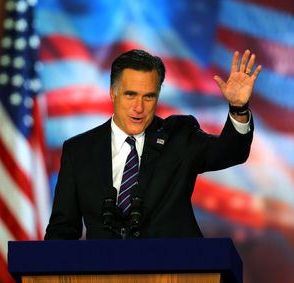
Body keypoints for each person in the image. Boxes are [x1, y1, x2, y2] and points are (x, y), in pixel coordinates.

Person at [44, 49, 262, 241]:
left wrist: (238, 108)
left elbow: (231, 151)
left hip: (177, 279)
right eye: (131, 95)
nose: (139, 107)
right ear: (113, 92)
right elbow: (61, 231)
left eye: (149, 97)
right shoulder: (79, 151)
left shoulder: (179, 136)